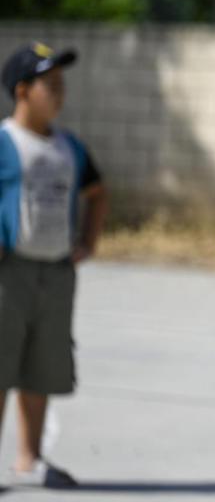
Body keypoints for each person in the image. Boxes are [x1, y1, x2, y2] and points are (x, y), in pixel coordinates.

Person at [0, 42, 108, 488]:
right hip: (10, 273)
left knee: (40, 366)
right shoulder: (5, 142)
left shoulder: (69, 147)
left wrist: (88, 241)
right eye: (50, 85)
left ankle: (29, 457)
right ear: (22, 91)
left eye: (62, 85)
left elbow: (97, 192)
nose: (60, 94)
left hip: (55, 273)